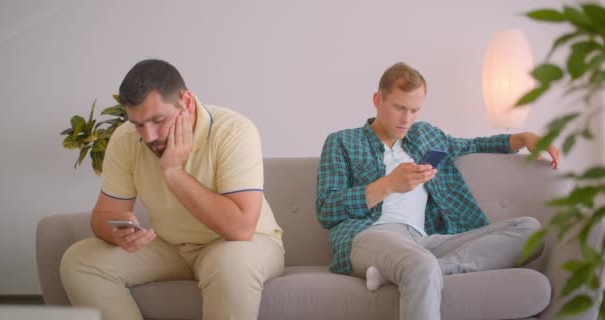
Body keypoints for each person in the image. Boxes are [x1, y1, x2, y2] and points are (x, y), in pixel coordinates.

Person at [315, 62, 559, 320]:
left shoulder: (426, 136)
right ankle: (418, 269)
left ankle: (419, 271)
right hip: (369, 236)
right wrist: (387, 185)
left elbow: (473, 144)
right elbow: (326, 209)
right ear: (378, 100)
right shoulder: (342, 141)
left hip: (423, 241)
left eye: (414, 110)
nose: (406, 119)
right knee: (419, 264)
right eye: (399, 108)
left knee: (530, 230)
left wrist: (523, 138)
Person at [60, 59, 284, 320]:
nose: (149, 136)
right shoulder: (125, 139)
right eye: (139, 124)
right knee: (80, 261)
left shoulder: (234, 131)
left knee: (230, 265)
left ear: (186, 103)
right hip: (170, 247)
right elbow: (103, 215)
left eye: (158, 120)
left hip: (243, 243)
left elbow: (240, 228)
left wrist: (174, 172)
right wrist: (115, 233)